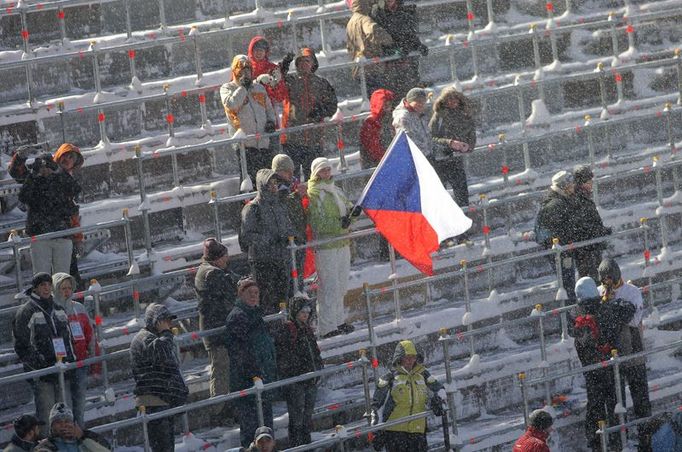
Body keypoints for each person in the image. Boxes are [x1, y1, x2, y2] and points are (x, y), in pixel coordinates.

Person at [573, 276, 635, 451]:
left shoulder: (577, 316)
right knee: (617, 406)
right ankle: (619, 442)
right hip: (612, 367)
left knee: (595, 408)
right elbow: (630, 310)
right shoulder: (609, 309)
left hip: (592, 371)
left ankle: (595, 444)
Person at [10, 143, 85, 287]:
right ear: (59, 156)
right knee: (42, 280)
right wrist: (20, 158)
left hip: (63, 233)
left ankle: (69, 306)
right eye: (65, 156)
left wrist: (77, 238)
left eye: (71, 158)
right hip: (40, 234)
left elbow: (74, 199)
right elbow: (18, 177)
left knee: (66, 279)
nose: (67, 160)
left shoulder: (66, 179)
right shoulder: (36, 176)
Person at [12, 273, 76, 433]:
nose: (46, 288)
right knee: (47, 419)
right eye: (42, 285)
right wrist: (40, 365)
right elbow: (21, 344)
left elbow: (68, 339)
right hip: (43, 375)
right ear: (35, 288)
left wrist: (70, 361)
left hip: (62, 371)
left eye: (49, 284)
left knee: (66, 418)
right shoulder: (26, 311)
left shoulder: (59, 309)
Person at [598, 258, 652, 445]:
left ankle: (646, 441)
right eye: (604, 278)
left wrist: (616, 307)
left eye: (610, 277)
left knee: (641, 402)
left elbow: (635, 320)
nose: (607, 282)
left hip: (633, 352)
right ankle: (619, 443)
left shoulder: (632, 292)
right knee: (615, 404)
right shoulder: (599, 293)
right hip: (612, 355)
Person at [307, 158, 358, 338]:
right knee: (329, 286)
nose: (326, 173)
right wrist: (341, 225)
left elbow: (348, 210)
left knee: (341, 284)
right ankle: (327, 327)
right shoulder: (313, 193)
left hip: (342, 243)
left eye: (328, 169)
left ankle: (338, 321)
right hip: (326, 245)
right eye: (322, 170)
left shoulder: (336, 190)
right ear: (315, 173)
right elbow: (318, 222)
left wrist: (353, 215)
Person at [225, 277, 277, 448]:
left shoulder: (256, 314)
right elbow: (241, 352)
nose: (254, 296)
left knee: (266, 430)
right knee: (251, 431)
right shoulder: (238, 317)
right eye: (250, 293)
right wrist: (254, 374)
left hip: (263, 380)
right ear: (241, 294)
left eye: (256, 293)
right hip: (248, 383)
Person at [130, 303, 189, 452]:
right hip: (153, 400)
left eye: (170, 321)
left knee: (168, 446)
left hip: (164, 399)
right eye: (165, 320)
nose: (168, 325)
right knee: (163, 447)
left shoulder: (157, 338)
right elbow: (161, 354)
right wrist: (166, 334)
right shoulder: (145, 338)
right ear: (155, 321)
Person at [371, 340, 445, 452]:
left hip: (418, 432)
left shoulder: (423, 375)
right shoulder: (390, 378)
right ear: (399, 358)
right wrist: (377, 430)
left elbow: (439, 390)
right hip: (395, 433)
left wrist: (438, 400)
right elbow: (377, 407)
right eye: (407, 357)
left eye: (413, 357)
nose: (410, 360)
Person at [194, 238, 237, 423]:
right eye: (224, 256)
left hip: (218, 328)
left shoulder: (210, 270)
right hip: (216, 330)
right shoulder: (211, 274)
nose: (227, 259)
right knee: (220, 371)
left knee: (224, 370)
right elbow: (230, 292)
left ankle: (225, 406)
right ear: (217, 258)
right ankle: (219, 411)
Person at [240, 169, 295, 314]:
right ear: (262, 186)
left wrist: (290, 236)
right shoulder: (252, 208)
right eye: (269, 184)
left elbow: (288, 226)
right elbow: (246, 236)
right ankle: (272, 330)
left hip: (282, 259)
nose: (274, 186)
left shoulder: (280, 205)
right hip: (263, 262)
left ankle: (284, 329)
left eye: (275, 183)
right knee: (266, 301)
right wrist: (269, 240)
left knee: (284, 298)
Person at [281, 48, 338, 180]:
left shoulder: (322, 83)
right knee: (291, 179)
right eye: (300, 61)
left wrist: (320, 112)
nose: (304, 64)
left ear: (313, 63)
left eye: (307, 60)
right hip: (291, 138)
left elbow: (332, 105)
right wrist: (283, 66)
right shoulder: (291, 81)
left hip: (314, 139)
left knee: (314, 179)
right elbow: (276, 83)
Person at [221, 55, 277, 186]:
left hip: (263, 142)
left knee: (267, 181)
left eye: (248, 70)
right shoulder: (227, 88)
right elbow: (231, 105)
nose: (245, 74)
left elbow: (269, 109)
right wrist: (243, 88)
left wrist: (271, 122)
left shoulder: (259, 88)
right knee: (248, 183)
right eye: (241, 71)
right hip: (244, 145)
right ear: (235, 72)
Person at [273, 297, 323, 446]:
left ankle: (307, 445)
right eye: (303, 311)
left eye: (308, 311)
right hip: (297, 382)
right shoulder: (288, 329)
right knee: (297, 419)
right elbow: (284, 357)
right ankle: (297, 446)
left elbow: (314, 351)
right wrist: (298, 370)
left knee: (307, 418)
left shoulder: (307, 329)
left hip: (311, 379)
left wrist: (318, 366)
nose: (306, 314)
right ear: (295, 312)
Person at [52, 272, 95, 429]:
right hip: (62, 366)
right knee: (65, 407)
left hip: (80, 364)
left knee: (80, 407)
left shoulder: (79, 308)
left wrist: (93, 357)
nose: (66, 291)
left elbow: (90, 334)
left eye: (69, 288)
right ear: (55, 289)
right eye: (63, 288)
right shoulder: (51, 311)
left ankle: (79, 435)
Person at [534, 170, 580, 300]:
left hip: (560, 249)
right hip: (560, 251)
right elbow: (562, 230)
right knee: (567, 286)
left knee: (568, 285)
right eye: (570, 185)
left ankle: (569, 315)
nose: (573, 188)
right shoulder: (556, 204)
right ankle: (569, 316)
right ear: (564, 187)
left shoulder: (556, 199)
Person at [430, 87, 477, 209]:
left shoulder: (465, 114)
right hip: (439, 160)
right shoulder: (439, 115)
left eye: (454, 98)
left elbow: (471, 135)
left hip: (456, 160)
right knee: (440, 199)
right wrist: (449, 143)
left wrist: (468, 146)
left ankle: (464, 224)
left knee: (462, 197)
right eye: (448, 99)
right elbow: (430, 138)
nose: (452, 102)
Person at [371, 0, 428, 99]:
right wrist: (392, 50)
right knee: (394, 93)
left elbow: (410, 33)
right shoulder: (377, 12)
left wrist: (418, 45)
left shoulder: (404, 9)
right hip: (389, 62)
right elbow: (377, 38)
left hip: (406, 57)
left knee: (411, 89)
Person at [271, 154, 308, 296]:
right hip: (286, 241)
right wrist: (297, 195)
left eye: (291, 170)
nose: (290, 174)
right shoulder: (274, 186)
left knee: (298, 280)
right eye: (286, 171)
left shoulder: (292, 183)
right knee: (290, 284)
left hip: (298, 237)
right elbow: (282, 205)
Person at [345, 0, 394, 96]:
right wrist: (389, 40)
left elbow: (349, 47)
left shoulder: (350, 22)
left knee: (371, 98)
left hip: (359, 68)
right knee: (380, 98)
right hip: (371, 67)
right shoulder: (365, 19)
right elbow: (373, 31)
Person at [572, 165, 612, 282]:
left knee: (593, 278)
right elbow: (584, 226)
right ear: (582, 183)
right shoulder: (579, 200)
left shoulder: (582, 198)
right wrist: (601, 231)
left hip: (589, 247)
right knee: (592, 280)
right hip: (587, 248)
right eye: (589, 181)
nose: (591, 184)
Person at [34, 403, 110, 452]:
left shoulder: (85, 441)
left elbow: (107, 449)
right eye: (58, 422)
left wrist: (83, 436)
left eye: (67, 421)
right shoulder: (45, 446)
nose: (63, 425)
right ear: (52, 426)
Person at [247, 36, 289, 106]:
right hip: (250, 110)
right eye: (256, 50)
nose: (259, 53)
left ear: (266, 52)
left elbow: (281, 97)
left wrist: (275, 85)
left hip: (269, 108)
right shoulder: (245, 68)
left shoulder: (272, 69)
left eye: (261, 50)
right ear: (251, 51)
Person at [360, 88, 396, 169]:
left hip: (391, 159)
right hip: (376, 164)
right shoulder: (370, 122)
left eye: (389, 104)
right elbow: (373, 147)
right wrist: (386, 158)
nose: (388, 107)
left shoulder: (392, 118)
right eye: (385, 104)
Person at [392, 88, 433, 159]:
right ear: (410, 101)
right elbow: (406, 141)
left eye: (424, 101)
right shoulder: (402, 117)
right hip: (415, 158)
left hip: (426, 155)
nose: (421, 104)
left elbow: (427, 135)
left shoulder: (419, 113)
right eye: (418, 101)